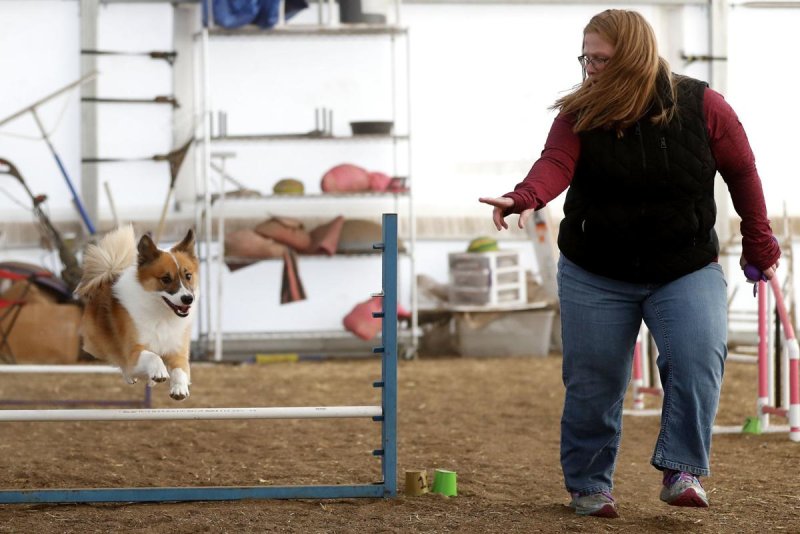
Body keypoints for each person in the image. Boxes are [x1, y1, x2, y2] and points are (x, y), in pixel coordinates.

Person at [479, 9, 781, 519]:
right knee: (595, 381)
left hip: (684, 264)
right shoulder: (579, 112)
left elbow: (743, 172)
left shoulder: (703, 105)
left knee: (697, 357)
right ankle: (589, 485)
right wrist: (527, 196)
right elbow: (555, 162)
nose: (590, 68)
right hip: (595, 269)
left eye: (601, 58)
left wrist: (760, 244)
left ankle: (682, 469)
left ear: (634, 57)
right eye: (586, 57)